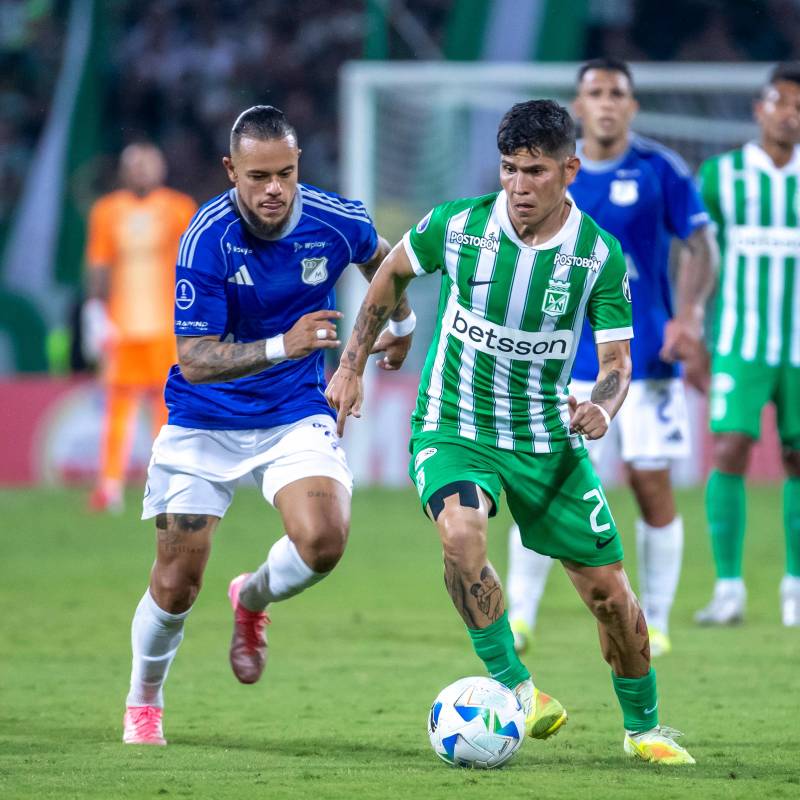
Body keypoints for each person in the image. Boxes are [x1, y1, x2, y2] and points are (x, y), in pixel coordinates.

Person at [327, 100, 696, 764]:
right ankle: (516, 689)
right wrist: (353, 364)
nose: (519, 186)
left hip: (546, 442)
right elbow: (391, 273)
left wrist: (603, 409)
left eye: (534, 171)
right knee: (461, 535)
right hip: (454, 425)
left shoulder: (596, 258)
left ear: (569, 171)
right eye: (508, 169)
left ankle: (643, 729)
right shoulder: (461, 226)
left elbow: (616, 364)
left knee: (610, 596)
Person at [122, 105, 414, 745]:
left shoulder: (336, 219)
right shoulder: (207, 236)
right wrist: (287, 343)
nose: (274, 188)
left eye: (285, 172)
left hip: (293, 411)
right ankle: (144, 700)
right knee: (176, 585)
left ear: (298, 165)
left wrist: (401, 326)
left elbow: (387, 262)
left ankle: (251, 599)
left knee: (324, 541)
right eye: (258, 176)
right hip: (206, 420)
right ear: (232, 170)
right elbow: (195, 362)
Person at [505, 59, 718, 658]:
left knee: (651, 486)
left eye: (616, 93)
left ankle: (659, 617)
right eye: (594, 92)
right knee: (543, 484)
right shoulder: (552, 175)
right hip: (560, 360)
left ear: (632, 106)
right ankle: (520, 616)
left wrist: (690, 316)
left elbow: (701, 244)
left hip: (644, 358)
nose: (605, 102)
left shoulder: (660, 169)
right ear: (578, 103)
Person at [695, 62, 800, 627]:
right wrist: (688, 322)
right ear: (759, 109)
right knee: (731, 448)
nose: (790, 115)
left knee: (797, 460)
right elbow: (694, 251)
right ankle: (729, 588)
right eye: (781, 102)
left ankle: (796, 588)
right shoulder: (721, 176)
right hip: (741, 341)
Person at [83, 143, 197, 512]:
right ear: (123, 170)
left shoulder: (180, 208)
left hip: (167, 328)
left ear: (160, 169)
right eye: (134, 165)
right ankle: (110, 486)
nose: (141, 171)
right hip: (123, 328)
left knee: (167, 407)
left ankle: (166, 481)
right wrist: (95, 311)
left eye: (147, 164)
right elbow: (98, 264)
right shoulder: (106, 211)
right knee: (118, 408)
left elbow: (194, 263)